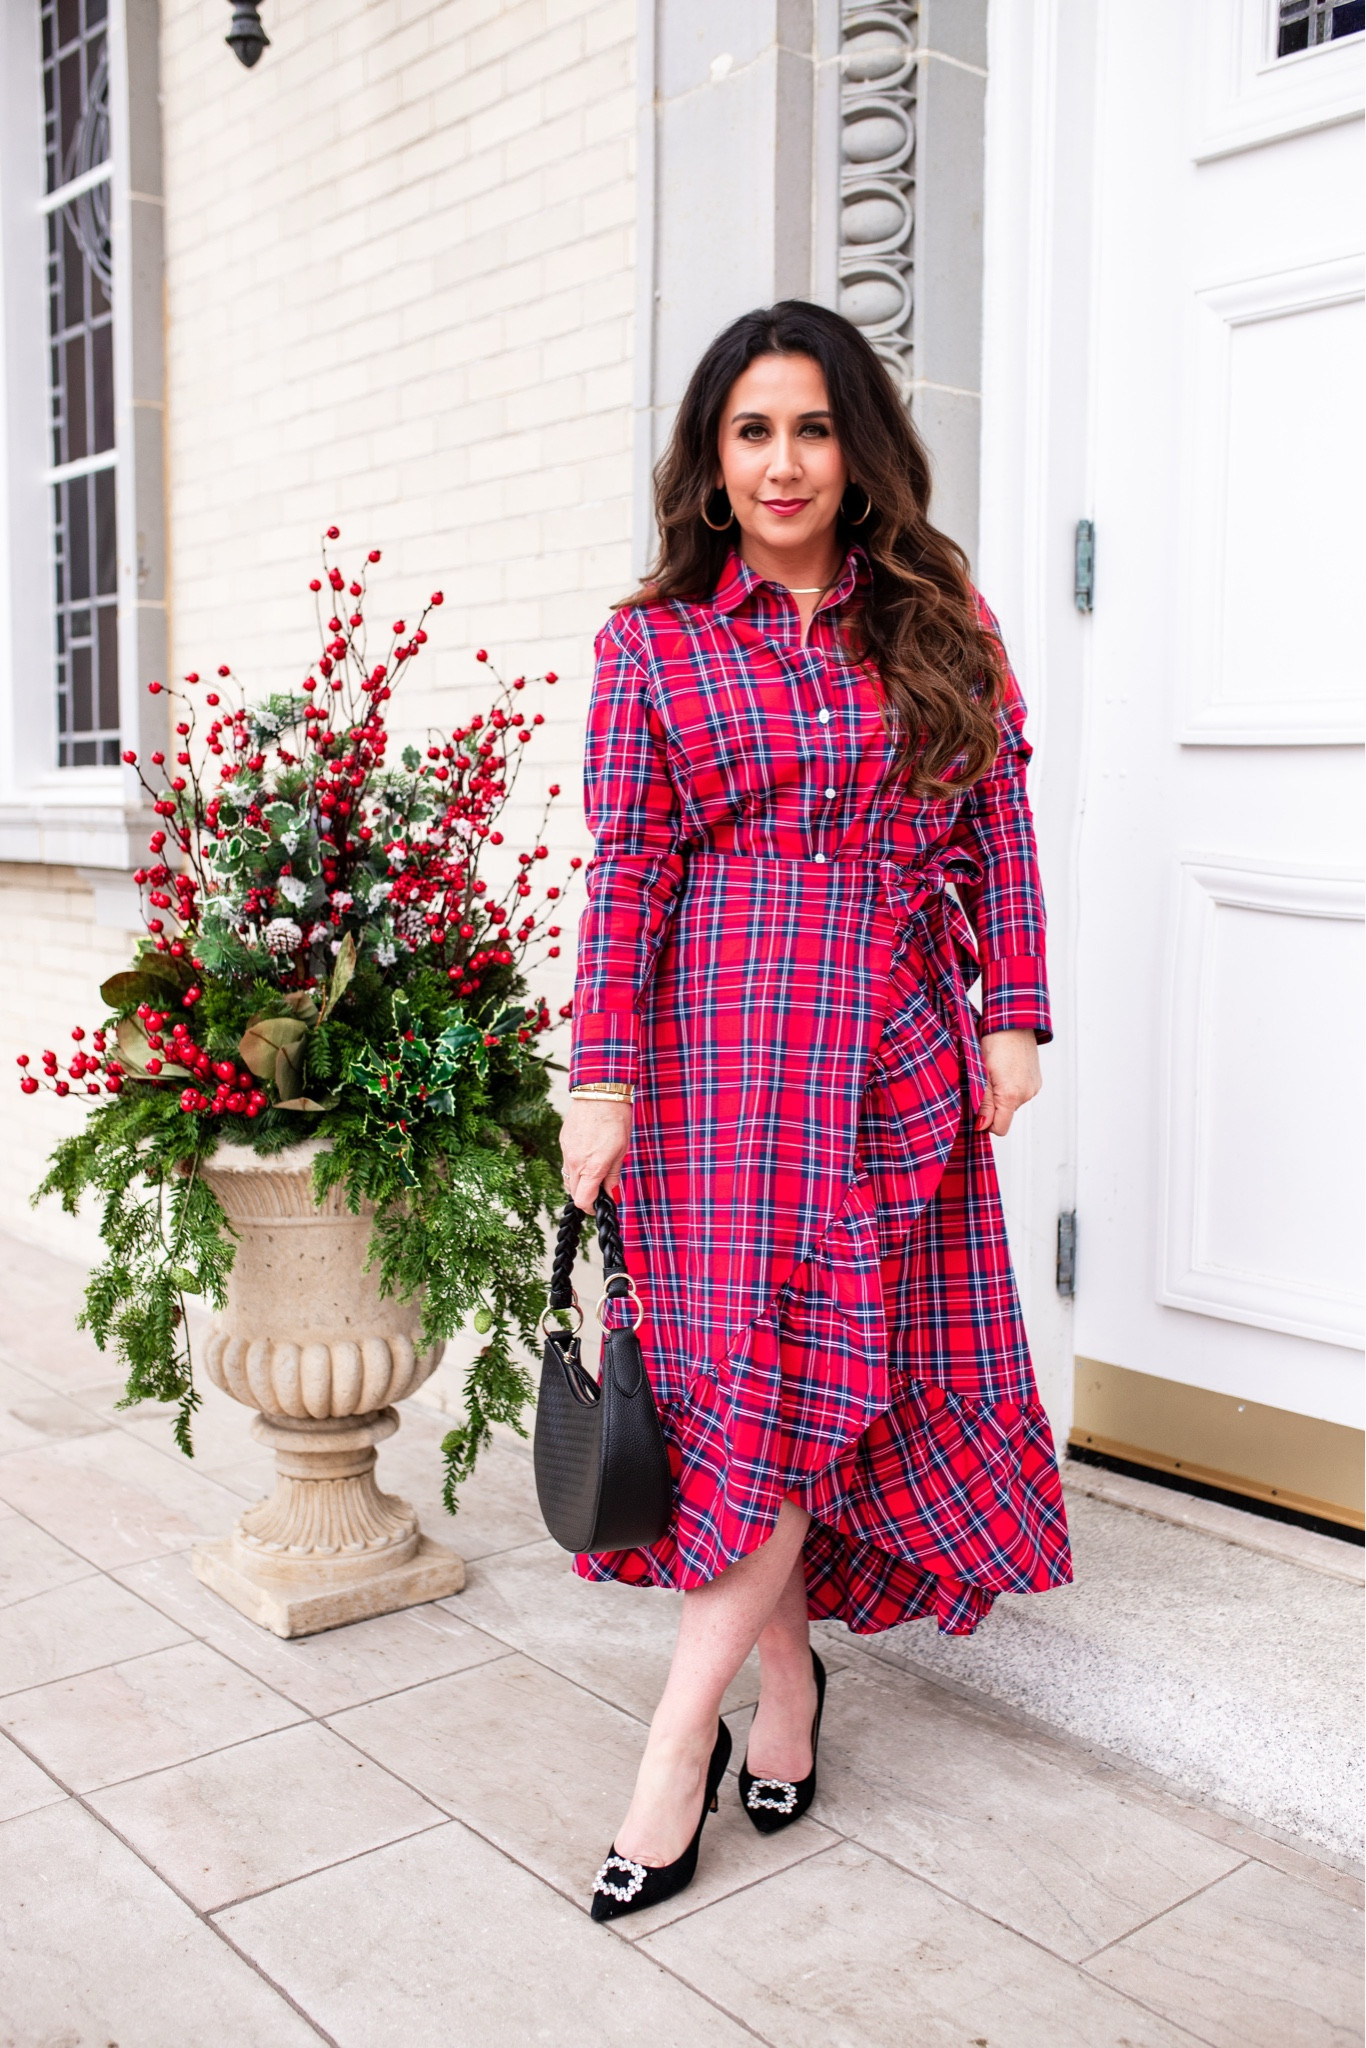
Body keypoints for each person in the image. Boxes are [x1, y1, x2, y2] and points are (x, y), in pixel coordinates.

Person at [559, 300, 1072, 1923]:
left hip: (883, 1057)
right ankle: (780, 1690)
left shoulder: (938, 615)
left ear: (858, 451)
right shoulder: (651, 644)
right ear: (710, 463)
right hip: (709, 1064)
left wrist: (1012, 1012)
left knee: (798, 1383)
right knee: (746, 1397)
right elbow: (626, 872)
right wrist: (598, 1074)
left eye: (812, 428)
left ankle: (675, 1745)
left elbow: (999, 824)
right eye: (750, 432)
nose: (782, 464)